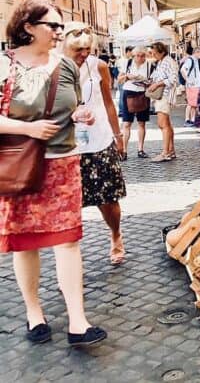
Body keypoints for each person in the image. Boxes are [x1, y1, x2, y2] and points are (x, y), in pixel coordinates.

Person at [0, 0, 106, 346]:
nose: (60, 33)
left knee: (68, 241)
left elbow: (71, 106)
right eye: (53, 26)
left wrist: (79, 116)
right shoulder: (5, 66)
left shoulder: (66, 66)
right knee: (24, 245)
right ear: (28, 27)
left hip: (63, 163)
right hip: (19, 166)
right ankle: (34, 313)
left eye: (62, 26)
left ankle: (78, 321)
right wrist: (28, 129)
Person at [62, 23, 127, 266]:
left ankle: (115, 234)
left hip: (99, 140)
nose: (84, 54)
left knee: (108, 200)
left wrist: (118, 136)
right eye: (79, 49)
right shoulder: (55, 69)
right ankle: (69, 257)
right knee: (69, 204)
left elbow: (109, 103)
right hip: (67, 146)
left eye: (87, 49)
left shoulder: (98, 66)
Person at [118, 47, 153, 158]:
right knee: (127, 123)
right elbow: (119, 79)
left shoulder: (149, 65)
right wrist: (127, 76)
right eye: (137, 55)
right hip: (128, 93)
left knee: (141, 123)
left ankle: (140, 150)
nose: (140, 58)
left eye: (142, 55)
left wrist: (144, 81)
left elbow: (152, 82)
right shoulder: (128, 63)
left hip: (142, 94)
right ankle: (124, 150)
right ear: (133, 55)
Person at [147, 42, 178, 163]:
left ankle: (165, 152)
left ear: (161, 51)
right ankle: (171, 150)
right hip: (161, 96)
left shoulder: (168, 62)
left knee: (163, 124)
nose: (153, 55)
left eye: (154, 53)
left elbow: (173, 79)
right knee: (167, 124)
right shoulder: (161, 62)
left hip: (165, 96)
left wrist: (158, 84)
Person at [180, 47, 200, 127]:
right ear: (196, 52)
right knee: (190, 103)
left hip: (195, 85)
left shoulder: (195, 60)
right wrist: (188, 80)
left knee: (194, 104)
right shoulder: (190, 60)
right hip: (192, 85)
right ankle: (187, 120)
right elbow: (183, 70)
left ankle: (192, 120)